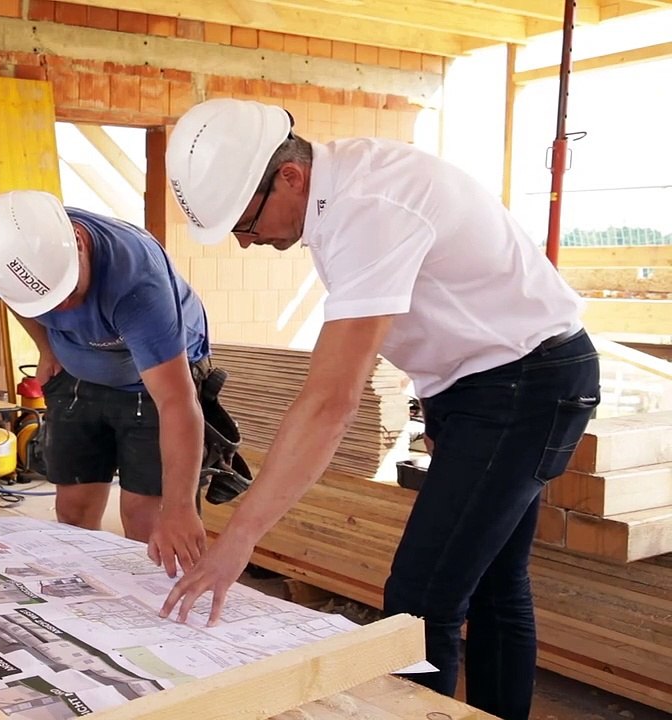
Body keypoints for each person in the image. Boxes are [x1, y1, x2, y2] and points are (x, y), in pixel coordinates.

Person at [158, 98, 600, 720]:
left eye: (245, 221)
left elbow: (329, 403)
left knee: (419, 603)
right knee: (494, 582)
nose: (246, 241)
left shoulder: (369, 209)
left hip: (523, 384)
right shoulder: (341, 188)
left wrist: (240, 538)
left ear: (290, 177)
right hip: (487, 384)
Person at [0, 190, 252, 577]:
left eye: (67, 291)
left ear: (79, 242)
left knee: (146, 520)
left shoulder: (138, 283)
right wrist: (46, 348)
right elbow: (14, 302)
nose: (62, 309)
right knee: (73, 511)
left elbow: (176, 401)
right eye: (46, 303)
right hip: (76, 375)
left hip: (151, 383)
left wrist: (180, 508)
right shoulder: (7, 252)